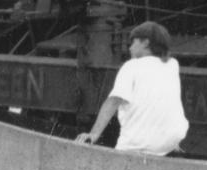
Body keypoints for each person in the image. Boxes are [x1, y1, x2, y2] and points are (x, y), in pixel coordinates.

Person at [75, 20, 189, 155]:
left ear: (146, 42)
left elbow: (113, 102)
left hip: (136, 144)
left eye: (134, 43)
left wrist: (93, 135)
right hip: (171, 142)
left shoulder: (132, 66)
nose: (130, 48)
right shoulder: (172, 65)